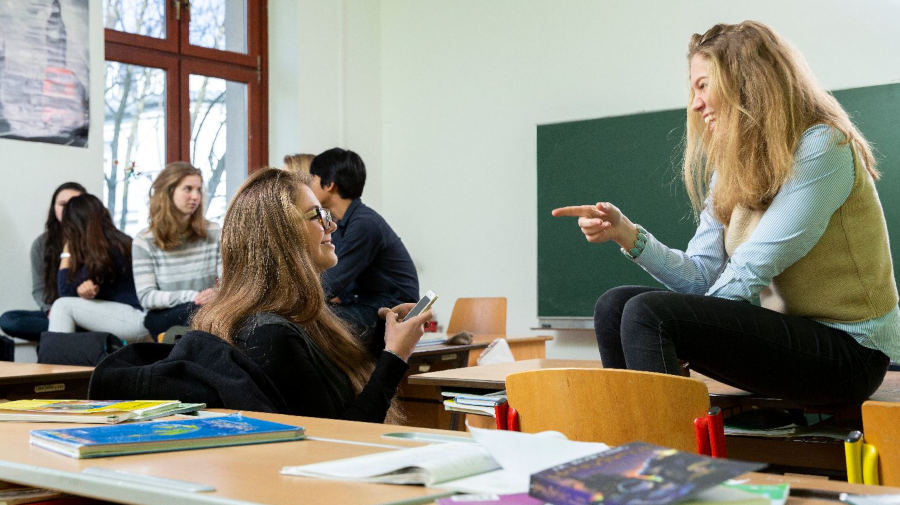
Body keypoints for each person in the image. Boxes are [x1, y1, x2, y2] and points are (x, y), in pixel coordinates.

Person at [553, 21, 898, 406]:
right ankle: (631, 445)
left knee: (650, 314)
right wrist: (628, 235)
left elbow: (750, 269)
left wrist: (689, 332)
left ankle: (673, 462)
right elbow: (703, 277)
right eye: (693, 89)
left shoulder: (823, 145)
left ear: (747, 81)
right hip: (792, 338)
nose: (695, 103)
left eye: (703, 85)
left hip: (852, 354)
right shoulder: (733, 166)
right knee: (614, 306)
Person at [190, 168, 431, 422]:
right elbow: (341, 439)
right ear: (281, 234)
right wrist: (395, 356)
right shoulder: (271, 335)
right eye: (318, 216)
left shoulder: (295, 319)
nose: (333, 225)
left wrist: (385, 328)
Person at [309, 148, 419, 355]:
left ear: (329, 184)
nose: (309, 185)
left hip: (392, 309)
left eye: (312, 178)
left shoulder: (364, 223)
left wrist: (293, 301)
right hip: (369, 302)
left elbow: (332, 281)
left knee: (313, 320)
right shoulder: (343, 224)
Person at [132, 162, 220, 336]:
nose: (195, 196)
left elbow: (228, 282)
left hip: (208, 307)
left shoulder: (215, 232)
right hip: (168, 314)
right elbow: (147, 297)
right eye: (188, 189)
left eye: (198, 190)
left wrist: (216, 293)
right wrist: (192, 297)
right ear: (168, 191)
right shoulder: (144, 240)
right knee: (194, 311)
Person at [48, 194, 147, 342]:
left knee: (62, 306)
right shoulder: (112, 243)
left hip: (135, 318)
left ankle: (56, 364)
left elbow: (65, 292)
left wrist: (66, 251)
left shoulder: (111, 248)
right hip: (126, 316)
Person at [0, 182, 85, 341]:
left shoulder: (98, 242)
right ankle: (70, 332)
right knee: (8, 320)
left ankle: (62, 335)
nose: (67, 210)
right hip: (54, 312)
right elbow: (39, 289)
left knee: (51, 337)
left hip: (91, 312)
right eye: (62, 204)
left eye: (74, 204)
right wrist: (50, 311)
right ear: (54, 208)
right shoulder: (42, 244)